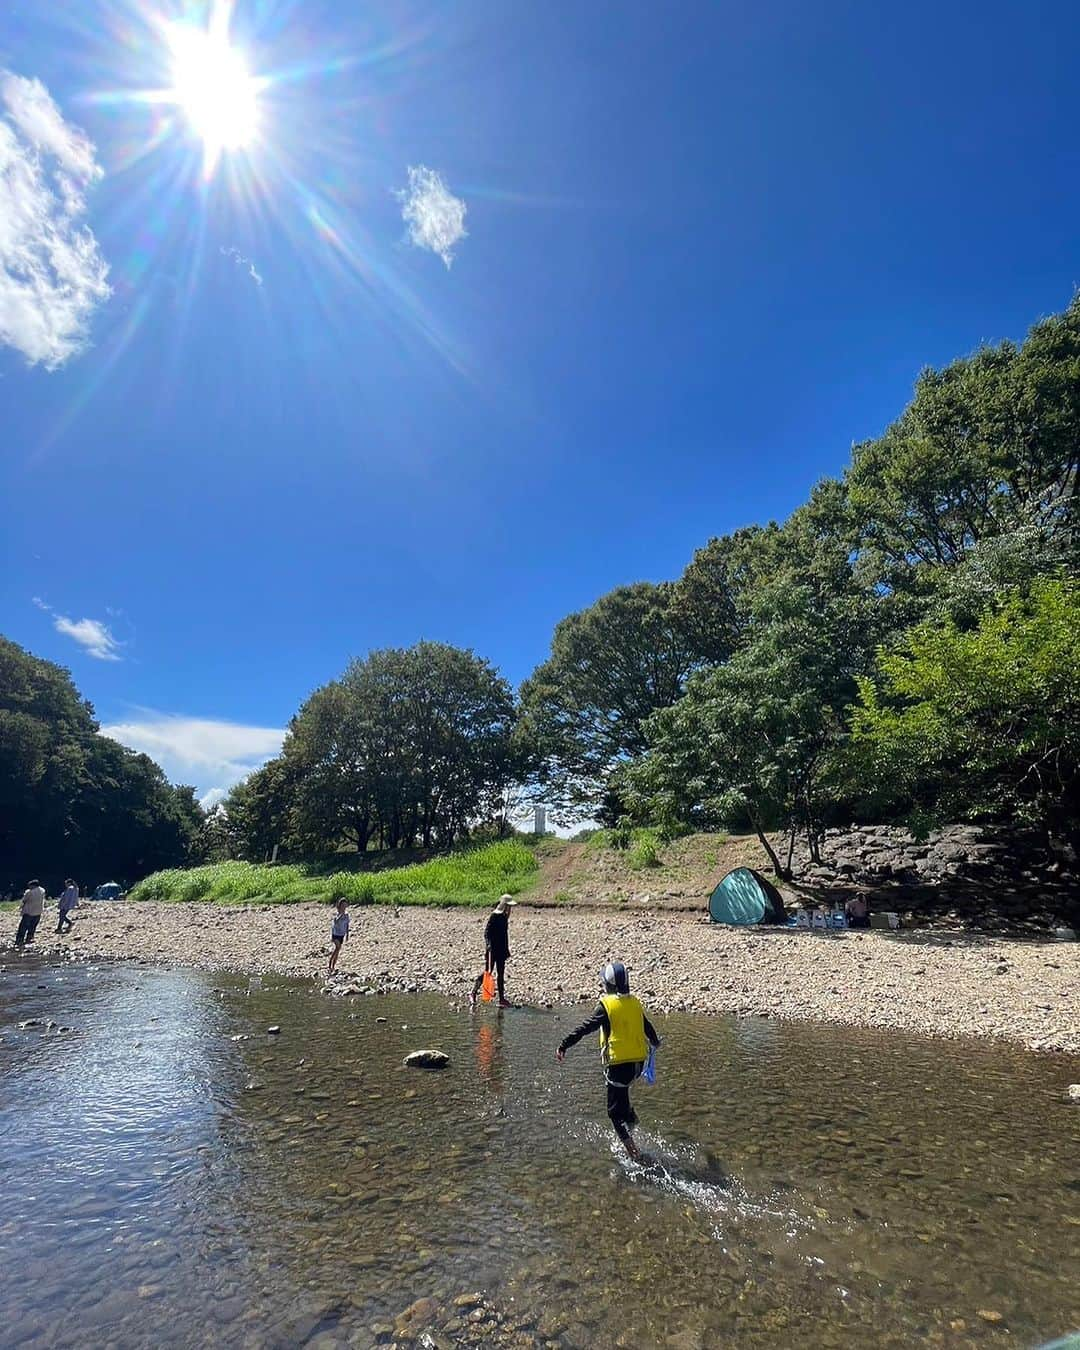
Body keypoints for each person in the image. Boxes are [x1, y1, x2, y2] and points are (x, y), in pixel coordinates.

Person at [555, 960, 660, 1161]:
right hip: (636, 1067)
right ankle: (632, 1124)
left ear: (608, 985)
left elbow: (585, 1028)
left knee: (613, 1113)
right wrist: (655, 1043)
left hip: (619, 1068)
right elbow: (648, 1029)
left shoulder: (606, 1007)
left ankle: (635, 1156)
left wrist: (564, 1045)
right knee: (623, 1102)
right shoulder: (635, 1003)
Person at [470, 894, 515, 1008]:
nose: (510, 909)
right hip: (492, 950)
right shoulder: (494, 916)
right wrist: (489, 945)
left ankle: (501, 999)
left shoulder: (505, 917)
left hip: (501, 950)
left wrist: (506, 949)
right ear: (504, 905)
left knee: (501, 974)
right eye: (508, 906)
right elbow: (486, 933)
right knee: (488, 972)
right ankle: (473, 992)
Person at [15, 880, 46, 947]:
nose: (29, 887)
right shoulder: (42, 890)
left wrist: (20, 908)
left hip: (29, 912)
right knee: (33, 926)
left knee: (23, 927)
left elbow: (24, 901)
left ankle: (19, 940)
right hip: (38, 911)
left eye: (30, 886)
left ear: (33, 885)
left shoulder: (29, 892)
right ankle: (29, 938)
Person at [328, 898, 349, 975]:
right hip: (335, 934)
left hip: (341, 934)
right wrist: (341, 915)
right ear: (340, 906)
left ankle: (333, 965)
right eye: (343, 905)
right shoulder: (337, 914)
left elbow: (347, 925)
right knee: (338, 947)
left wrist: (347, 935)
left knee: (338, 950)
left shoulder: (347, 915)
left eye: (345, 905)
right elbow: (336, 921)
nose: (344, 907)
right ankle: (330, 963)